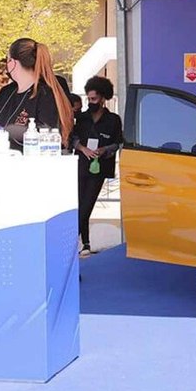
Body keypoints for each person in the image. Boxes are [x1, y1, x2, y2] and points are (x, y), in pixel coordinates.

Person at [0, 38, 73, 152]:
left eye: (7, 59)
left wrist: (5, 131)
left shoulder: (46, 93)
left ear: (12, 62)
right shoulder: (7, 92)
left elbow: (47, 132)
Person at [71, 76, 122, 256]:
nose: (90, 102)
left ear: (102, 98)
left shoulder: (113, 120)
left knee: (87, 205)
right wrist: (82, 148)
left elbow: (117, 143)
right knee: (78, 204)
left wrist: (104, 150)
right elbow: (72, 138)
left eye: (93, 99)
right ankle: (84, 242)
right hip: (80, 164)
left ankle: (70, 242)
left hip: (99, 167)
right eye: (88, 98)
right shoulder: (81, 118)